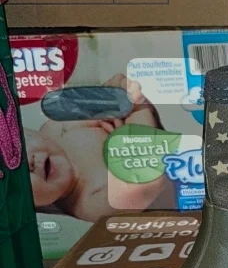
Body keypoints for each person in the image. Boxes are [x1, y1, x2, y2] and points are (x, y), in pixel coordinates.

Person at [26, 73, 177, 222]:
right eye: (19, 181)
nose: (29, 163)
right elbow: (144, 183)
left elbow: (106, 106)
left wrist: (118, 93)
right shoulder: (90, 202)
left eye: (18, 150)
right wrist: (138, 111)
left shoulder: (56, 128)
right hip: (181, 197)